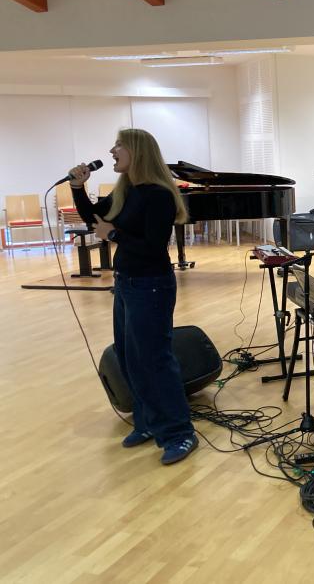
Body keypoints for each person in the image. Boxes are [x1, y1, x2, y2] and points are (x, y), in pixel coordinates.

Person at [69, 128, 198, 465]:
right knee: (129, 357)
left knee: (154, 360)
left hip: (150, 285)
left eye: (119, 145)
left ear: (137, 151)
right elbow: (94, 219)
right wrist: (77, 188)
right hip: (127, 282)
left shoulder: (158, 195)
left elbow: (152, 247)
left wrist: (113, 234)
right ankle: (148, 422)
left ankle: (180, 433)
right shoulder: (126, 190)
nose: (112, 151)